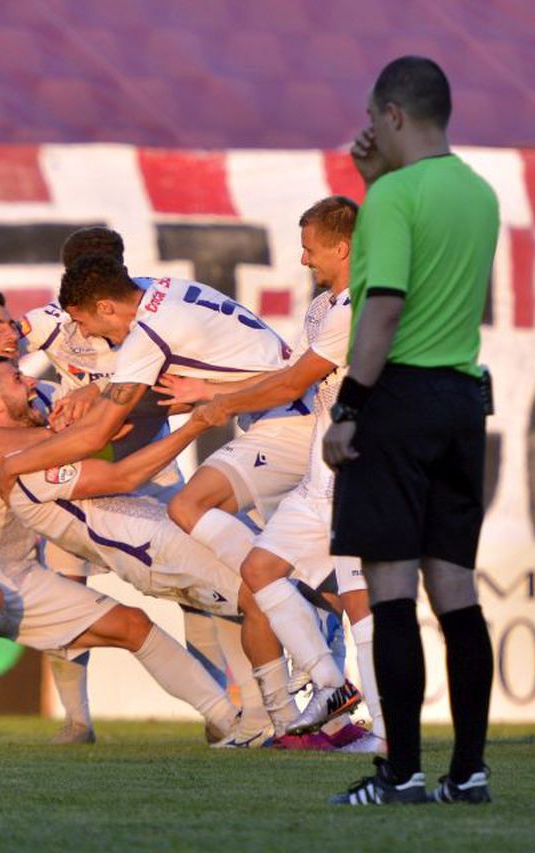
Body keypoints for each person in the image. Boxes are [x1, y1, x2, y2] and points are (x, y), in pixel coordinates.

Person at [0, 289, 239, 745]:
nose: (10, 332)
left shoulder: (39, 394)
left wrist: (181, 398)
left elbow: (111, 417)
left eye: (9, 323)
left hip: (22, 573)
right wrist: (66, 440)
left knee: (133, 625)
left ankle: (230, 722)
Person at [322, 56, 499, 805]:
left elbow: (387, 304)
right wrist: (376, 185)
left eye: (373, 117)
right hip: (461, 399)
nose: (369, 130)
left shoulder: (395, 196)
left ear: (393, 114)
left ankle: (402, 773)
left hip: (396, 398)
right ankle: (470, 770)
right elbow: (431, 269)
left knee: (391, 587)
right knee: (454, 586)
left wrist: (348, 407)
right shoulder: (478, 192)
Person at [0, 355, 278, 748]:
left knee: (257, 595)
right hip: (153, 551)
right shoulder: (20, 468)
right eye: (16, 378)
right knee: (265, 594)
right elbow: (122, 476)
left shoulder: (40, 445)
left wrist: (201, 397)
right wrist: (196, 424)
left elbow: (122, 428)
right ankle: (277, 718)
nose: (30, 381)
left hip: (161, 532)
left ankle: (243, 720)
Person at [174, 197, 385, 753]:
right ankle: (331, 684)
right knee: (261, 569)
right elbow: (293, 375)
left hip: (360, 469)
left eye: (310, 248)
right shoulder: (324, 307)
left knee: (359, 602)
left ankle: (388, 736)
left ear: (343, 247)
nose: (303, 259)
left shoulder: (362, 304)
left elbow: (293, 384)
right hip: (321, 473)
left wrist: (219, 404)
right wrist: (214, 393)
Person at [0, 256, 314, 580]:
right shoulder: (165, 290)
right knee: (270, 543)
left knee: (192, 513)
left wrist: (13, 466)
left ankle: (273, 587)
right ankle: (289, 589)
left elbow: (96, 435)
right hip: (288, 412)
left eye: (82, 322)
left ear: (104, 306)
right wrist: (207, 389)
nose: (84, 332)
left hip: (287, 420)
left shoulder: (147, 336)